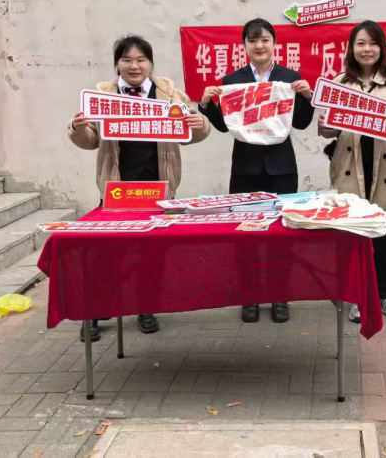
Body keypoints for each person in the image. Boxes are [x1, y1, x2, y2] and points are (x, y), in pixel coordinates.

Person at [68, 35, 211, 341]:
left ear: (150, 63)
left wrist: (201, 125)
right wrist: (77, 129)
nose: (134, 66)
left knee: (150, 253)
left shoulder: (170, 95)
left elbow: (191, 133)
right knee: (106, 254)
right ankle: (95, 311)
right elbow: (91, 140)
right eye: (127, 60)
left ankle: (146, 306)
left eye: (140, 60)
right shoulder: (103, 96)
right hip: (117, 190)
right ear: (117, 64)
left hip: (158, 190)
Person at [199, 18, 315, 324]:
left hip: (282, 168)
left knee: (282, 233)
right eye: (252, 40)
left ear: (274, 43)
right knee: (245, 233)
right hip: (245, 168)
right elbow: (224, 125)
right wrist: (207, 103)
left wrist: (306, 96)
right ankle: (248, 295)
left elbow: (301, 122)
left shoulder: (289, 77)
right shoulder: (232, 80)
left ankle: (280, 295)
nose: (259, 46)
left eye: (264, 39)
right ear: (244, 45)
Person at [317, 20, 386, 323]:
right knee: (355, 235)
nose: (367, 49)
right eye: (360, 43)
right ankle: (358, 295)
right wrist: (325, 124)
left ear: (382, 47)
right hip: (351, 165)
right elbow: (328, 129)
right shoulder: (340, 81)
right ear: (351, 48)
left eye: (373, 43)